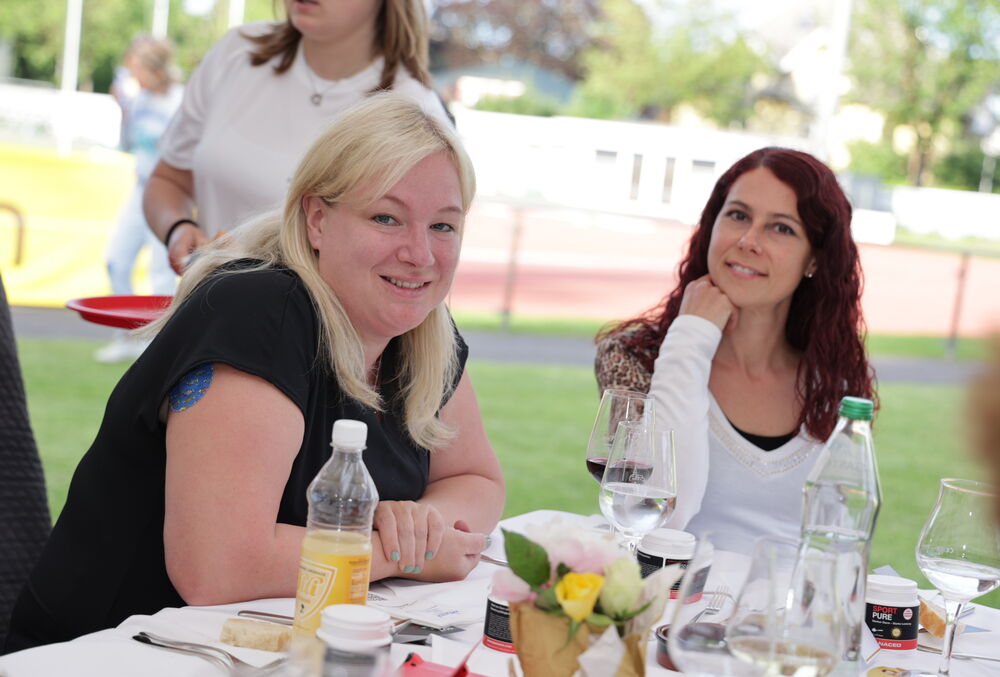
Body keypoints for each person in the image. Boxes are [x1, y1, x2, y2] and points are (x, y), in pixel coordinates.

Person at [4, 94, 504, 652]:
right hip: (111, 653)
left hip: (259, 651)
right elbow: (217, 566)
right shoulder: (258, 310)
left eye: (443, 226)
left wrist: (418, 525)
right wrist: (398, 551)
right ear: (317, 219)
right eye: (385, 217)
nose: (420, 254)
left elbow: (478, 482)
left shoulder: (423, 330)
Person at [595, 147, 875, 554]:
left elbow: (840, 544)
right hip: (674, 592)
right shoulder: (634, 357)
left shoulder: (836, 380)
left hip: (788, 595)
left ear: (814, 259)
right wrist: (691, 337)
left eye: (781, 228)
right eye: (739, 216)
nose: (748, 241)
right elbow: (659, 515)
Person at [143, 0, 449, 274]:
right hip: (206, 309)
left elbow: (416, 259)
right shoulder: (236, 51)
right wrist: (178, 229)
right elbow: (168, 180)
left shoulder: (415, 110)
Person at [96, 36, 183, 363]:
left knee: (162, 272)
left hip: (170, 194)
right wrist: (122, 109)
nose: (135, 77)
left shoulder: (180, 100)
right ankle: (126, 336)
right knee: (116, 261)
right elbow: (128, 143)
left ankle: (156, 346)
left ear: (155, 69)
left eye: (139, 70)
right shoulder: (141, 99)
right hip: (140, 189)